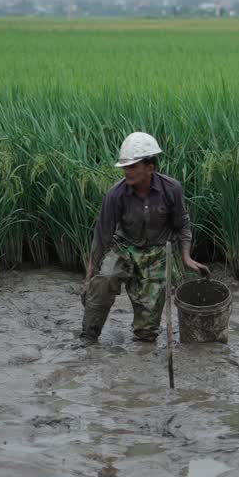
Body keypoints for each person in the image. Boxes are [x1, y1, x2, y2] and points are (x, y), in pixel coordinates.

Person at [80, 132, 209, 345]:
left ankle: (143, 341)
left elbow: (182, 225)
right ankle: (88, 337)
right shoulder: (115, 195)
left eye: (132, 167)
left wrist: (186, 258)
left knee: (147, 333)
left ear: (150, 168)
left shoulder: (171, 189)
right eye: (125, 167)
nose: (126, 172)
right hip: (124, 249)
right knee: (103, 282)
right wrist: (89, 278)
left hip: (157, 253)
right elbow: (101, 238)